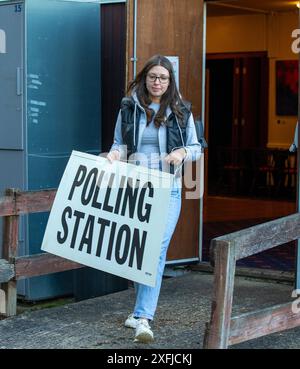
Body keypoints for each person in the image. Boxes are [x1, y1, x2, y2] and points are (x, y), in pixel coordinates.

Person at [107, 55, 202, 343]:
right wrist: (113, 155)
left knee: (155, 249)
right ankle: (138, 313)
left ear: (170, 81)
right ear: (144, 78)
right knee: (141, 249)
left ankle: (144, 319)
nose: (157, 82)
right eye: (153, 77)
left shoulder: (181, 110)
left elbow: (196, 147)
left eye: (163, 77)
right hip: (136, 189)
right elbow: (119, 143)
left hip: (169, 189)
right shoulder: (128, 108)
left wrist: (181, 153)